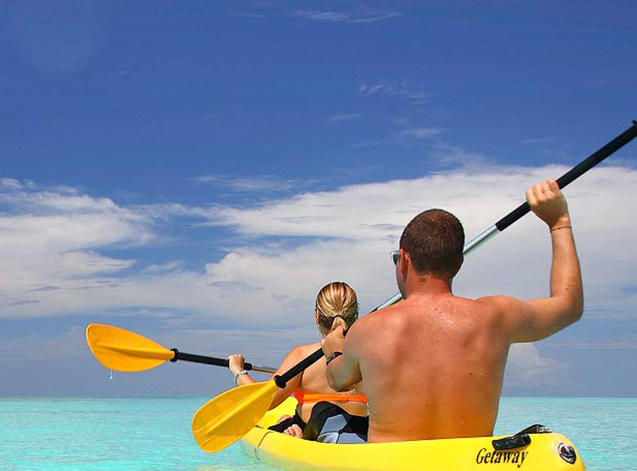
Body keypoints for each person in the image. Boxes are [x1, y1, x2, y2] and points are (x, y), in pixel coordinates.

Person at [320, 178, 582, 443]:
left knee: (324, 414)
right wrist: (558, 222)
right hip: (467, 469)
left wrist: (334, 351)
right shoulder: (496, 317)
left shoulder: (368, 329)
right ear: (458, 264)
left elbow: (338, 380)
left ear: (404, 261)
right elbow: (569, 306)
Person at [228, 282, 368, 443]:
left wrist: (238, 371)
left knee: (285, 425)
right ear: (355, 316)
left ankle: (289, 426)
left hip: (310, 433)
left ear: (317, 316)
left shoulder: (302, 355)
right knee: (290, 420)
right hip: (356, 430)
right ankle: (286, 422)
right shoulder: (369, 356)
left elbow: (263, 402)